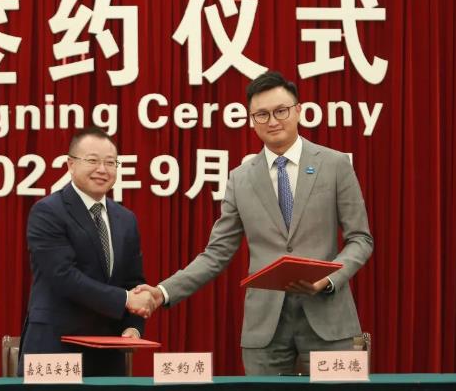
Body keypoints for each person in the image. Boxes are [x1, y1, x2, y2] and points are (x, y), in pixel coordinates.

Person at [135, 71, 373, 374]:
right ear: (251, 120)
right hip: (265, 328)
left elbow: (360, 239)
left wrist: (329, 279)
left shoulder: (335, 164)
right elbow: (216, 253)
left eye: (281, 111)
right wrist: (162, 292)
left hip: (330, 318)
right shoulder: (241, 179)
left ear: (299, 111)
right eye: (262, 114)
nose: (272, 121)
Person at [17, 127, 155, 376]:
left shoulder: (126, 219)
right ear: (71, 164)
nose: (102, 169)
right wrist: (126, 300)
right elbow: (63, 276)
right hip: (55, 348)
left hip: (108, 355)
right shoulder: (47, 211)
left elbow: (133, 282)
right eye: (92, 160)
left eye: (110, 162)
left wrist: (133, 327)